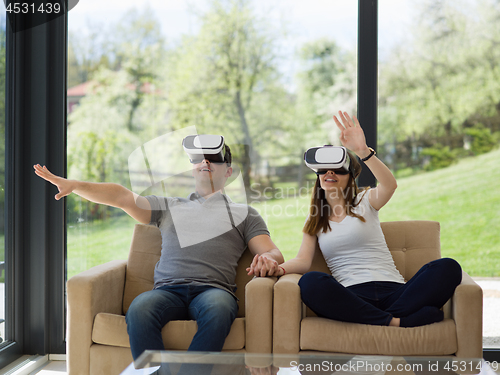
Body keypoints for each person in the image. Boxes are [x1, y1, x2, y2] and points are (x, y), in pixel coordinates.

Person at [34, 134, 284, 361]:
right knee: (140, 309)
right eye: (199, 159)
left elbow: (273, 252)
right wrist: (76, 185)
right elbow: (121, 196)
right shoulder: (169, 206)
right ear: (193, 168)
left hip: (214, 292)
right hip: (167, 291)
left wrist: (268, 258)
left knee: (220, 310)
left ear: (228, 171)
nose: (205, 163)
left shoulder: (245, 214)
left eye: (214, 159)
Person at [250, 111, 462, 328]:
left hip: (396, 291)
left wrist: (363, 151)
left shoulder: (365, 200)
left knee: (448, 267)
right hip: (352, 295)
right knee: (311, 282)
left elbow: (390, 185)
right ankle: (396, 321)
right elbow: (303, 261)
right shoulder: (315, 218)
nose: (330, 173)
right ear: (318, 176)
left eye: (339, 170)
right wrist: (278, 268)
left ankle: (381, 318)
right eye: (324, 170)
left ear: (350, 176)